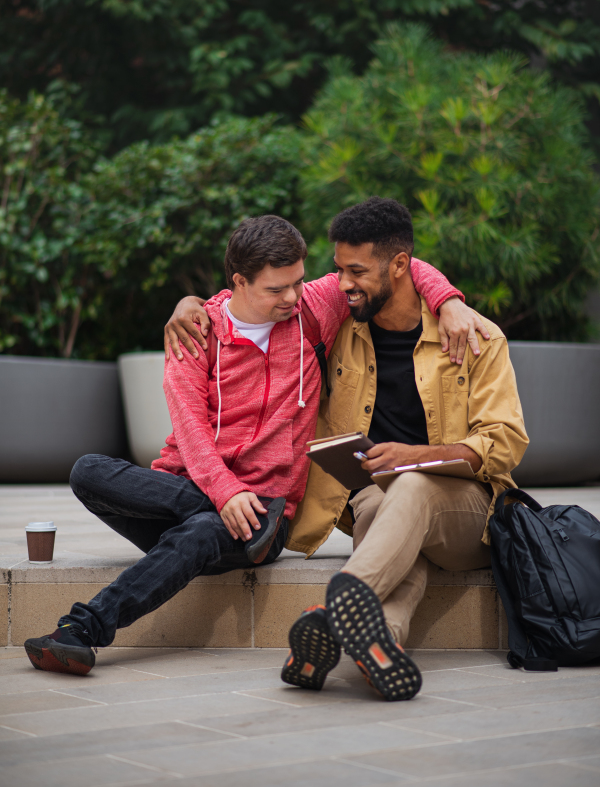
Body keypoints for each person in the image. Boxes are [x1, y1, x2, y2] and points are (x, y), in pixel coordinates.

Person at [24, 213, 479, 676]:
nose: (292, 297)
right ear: (239, 282)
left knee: (203, 532)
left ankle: (79, 631)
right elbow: (190, 430)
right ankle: (217, 514)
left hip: (266, 518)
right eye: (275, 289)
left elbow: (398, 263)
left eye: (298, 282)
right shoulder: (197, 331)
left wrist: (449, 301)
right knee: (88, 470)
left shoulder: (312, 312)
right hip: (193, 494)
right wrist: (225, 493)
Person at [280, 198, 529, 702]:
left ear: (399, 266)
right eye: (338, 269)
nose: (344, 283)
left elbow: (504, 444)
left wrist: (411, 456)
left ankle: (336, 609)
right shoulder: (341, 329)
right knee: (376, 506)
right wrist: (193, 305)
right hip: (380, 497)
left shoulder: (475, 336)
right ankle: (381, 644)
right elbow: (255, 299)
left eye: (357, 271)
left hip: (469, 512)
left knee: (410, 487)